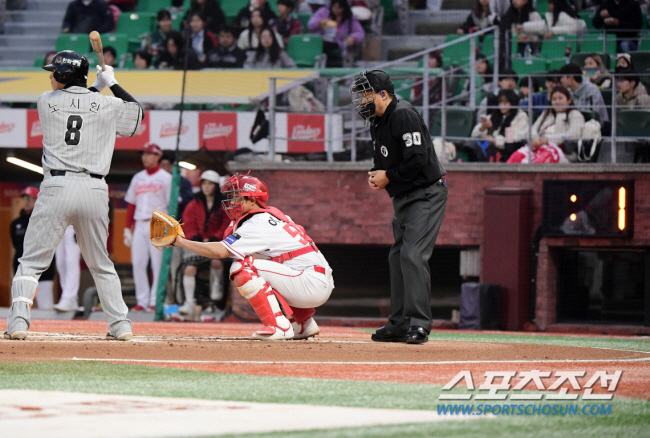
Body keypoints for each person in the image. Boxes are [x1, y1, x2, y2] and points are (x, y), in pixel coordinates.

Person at [5, 50, 143, 341]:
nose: (51, 75)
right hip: (94, 189)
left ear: (65, 76)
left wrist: (96, 86)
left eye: (54, 71)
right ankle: (121, 326)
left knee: (31, 261)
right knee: (101, 263)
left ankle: (18, 322)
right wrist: (112, 83)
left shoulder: (46, 101)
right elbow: (135, 118)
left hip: (56, 187)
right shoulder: (106, 104)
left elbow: (76, 104)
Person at [171, 173, 334, 340]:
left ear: (252, 200)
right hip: (316, 279)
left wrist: (180, 242)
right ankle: (303, 323)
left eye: (237, 197)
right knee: (261, 263)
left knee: (243, 267)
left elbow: (220, 251)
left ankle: (280, 327)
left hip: (309, 282)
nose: (232, 202)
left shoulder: (257, 222)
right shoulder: (273, 215)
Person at [349, 70, 447, 344]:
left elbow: (418, 158)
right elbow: (387, 159)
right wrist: (377, 174)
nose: (362, 100)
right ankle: (399, 323)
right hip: (404, 197)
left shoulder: (403, 114)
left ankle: (419, 324)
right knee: (397, 257)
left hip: (426, 194)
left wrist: (388, 176)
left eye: (366, 93)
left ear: (383, 94)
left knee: (412, 255)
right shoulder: (377, 121)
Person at [123, 142, 172, 312]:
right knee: (138, 263)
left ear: (158, 156)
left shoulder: (166, 178)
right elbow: (131, 204)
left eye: (149, 154)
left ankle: (155, 301)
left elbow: (171, 205)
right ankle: (142, 301)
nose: (145, 157)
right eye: (143, 154)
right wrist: (126, 228)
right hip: (139, 223)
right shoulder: (138, 177)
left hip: (159, 223)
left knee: (157, 265)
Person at [178, 170, 230, 320]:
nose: (206, 187)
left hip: (216, 243)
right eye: (204, 184)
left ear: (215, 186)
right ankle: (189, 302)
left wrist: (215, 237)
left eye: (210, 184)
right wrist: (195, 238)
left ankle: (216, 296)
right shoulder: (194, 203)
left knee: (216, 263)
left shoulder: (222, 205)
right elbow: (187, 222)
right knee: (189, 268)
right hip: (197, 244)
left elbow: (226, 224)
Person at [508, 86, 585, 163]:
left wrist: (547, 141)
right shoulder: (547, 113)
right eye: (554, 99)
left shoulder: (575, 114)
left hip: (561, 152)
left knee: (536, 162)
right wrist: (536, 139)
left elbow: (573, 135)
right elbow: (533, 129)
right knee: (516, 157)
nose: (557, 102)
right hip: (538, 146)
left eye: (560, 98)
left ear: (569, 100)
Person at [10, 187, 56, 311]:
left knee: (46, 308)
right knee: (20, 306)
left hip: (44, 271)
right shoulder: (16, 224)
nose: (28, 201)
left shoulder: (47, 220)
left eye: (31, 198)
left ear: (38, 200)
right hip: (22, 270)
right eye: (25, 198)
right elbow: (16, 245)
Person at [471, 89, 529, 161]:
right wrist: (483, 127)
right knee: (472, 144)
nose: (502, 106)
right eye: (500, 103)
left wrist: (495, 141)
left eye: (505, 103)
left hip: (507, 150)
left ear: (512, 103)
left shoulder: (521, 116)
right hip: (489, 147)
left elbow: (519, 137)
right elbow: (474, 134)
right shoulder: (495, 115)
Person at [308, 0, 365, 67]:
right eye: (334, 7)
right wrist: (319, 22)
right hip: (321, 40)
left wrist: (353, 37)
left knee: (326, 46)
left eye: (339, 8)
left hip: (338, 43)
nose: (336, 10)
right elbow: (310, 24)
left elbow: (360, 32)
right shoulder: (323, 12)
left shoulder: (350, 18)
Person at [53, 225, 82, 312]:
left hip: (74, 221)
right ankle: (68, 297)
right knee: (60, 263)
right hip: (58, 221)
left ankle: (69, 298)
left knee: (71, 261)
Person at [520, 0, 585, 38]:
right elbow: (542, 25)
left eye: (551, 3)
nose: (549, 5)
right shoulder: (552, 16)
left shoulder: (563, 15)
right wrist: (524, 26)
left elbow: (574, 27)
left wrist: (553, 32)